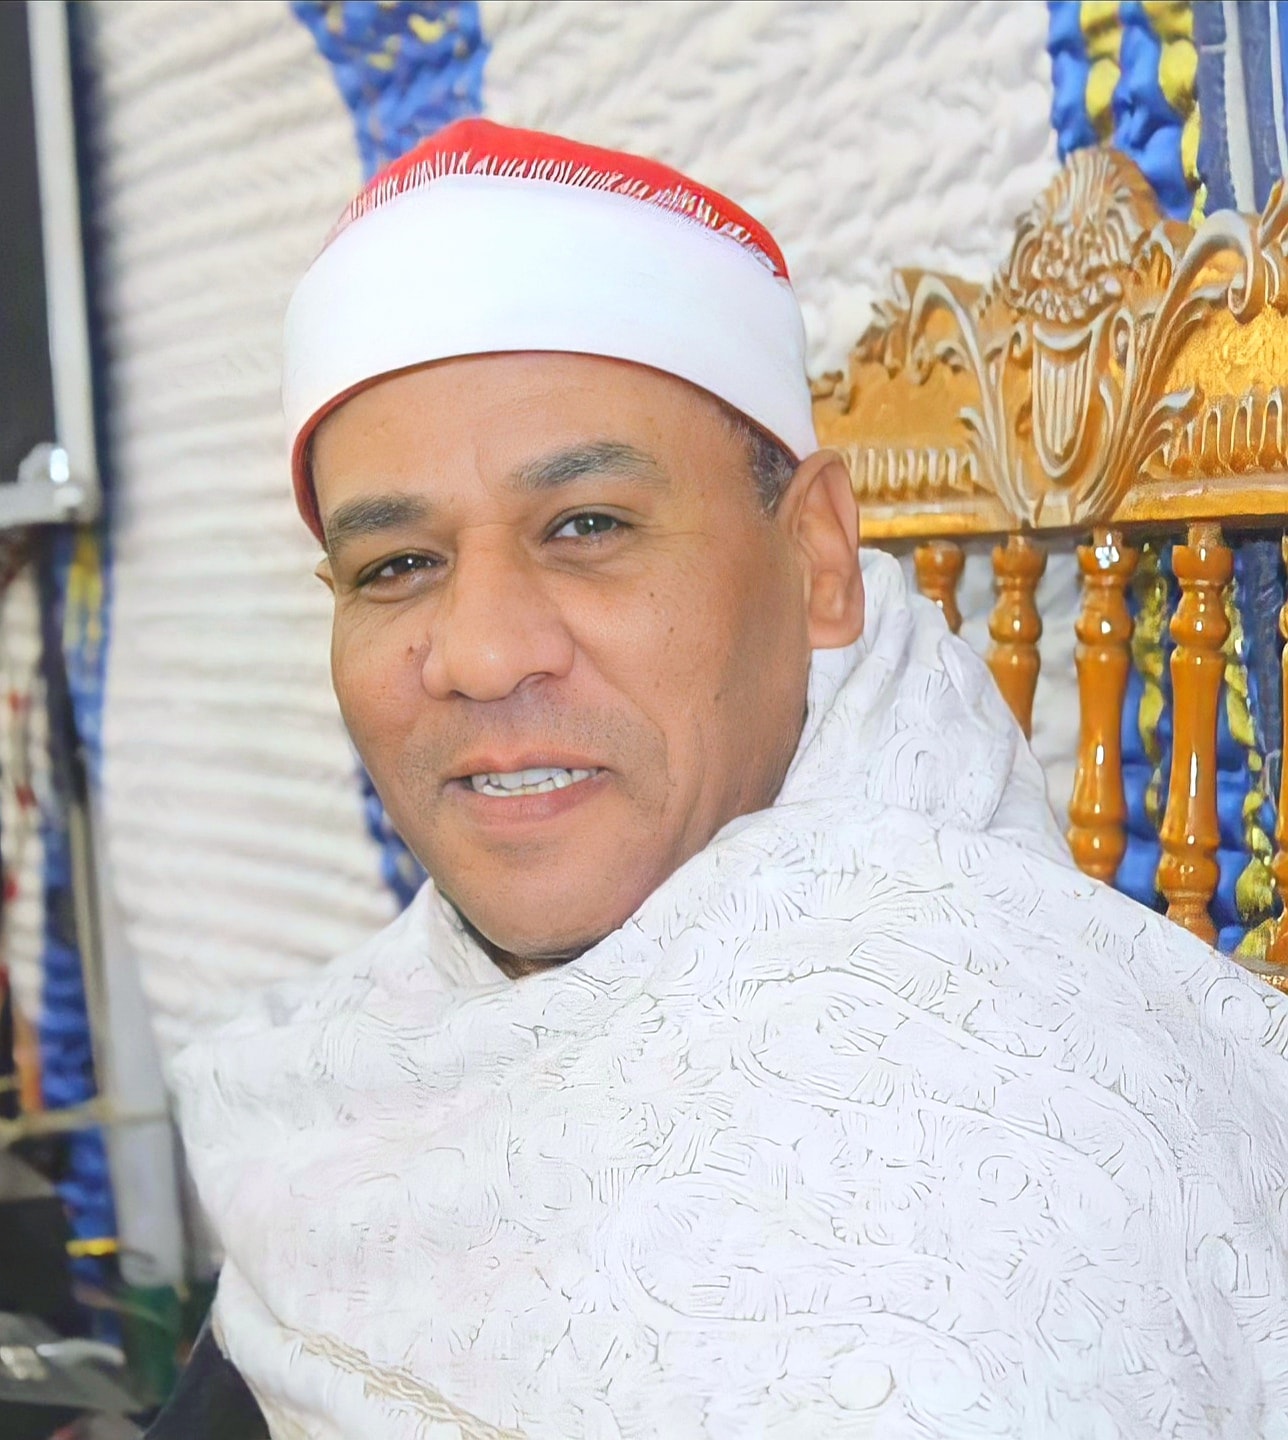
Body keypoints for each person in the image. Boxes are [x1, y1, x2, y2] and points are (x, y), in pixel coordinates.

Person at [163, 120, 1288, 1438]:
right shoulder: (374, 1064)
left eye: (587, 526)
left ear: (817, 558)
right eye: (396, 565)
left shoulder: (985, 1190)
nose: (478, 656)